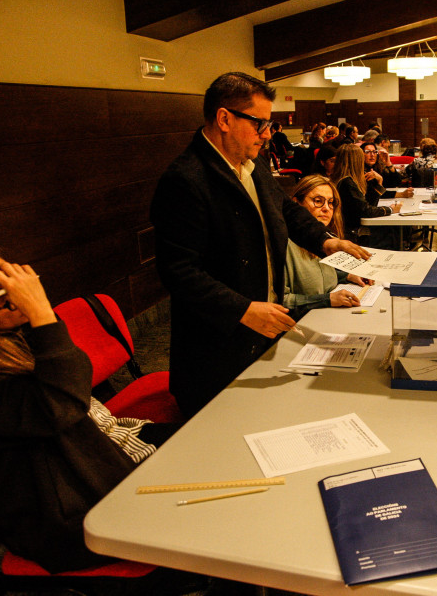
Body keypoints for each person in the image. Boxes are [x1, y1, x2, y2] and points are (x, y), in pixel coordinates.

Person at [0, 245, 170, 574]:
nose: (20, 296)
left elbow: (73, 386)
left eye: (16, 280)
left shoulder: (1, 336)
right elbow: (61, 405)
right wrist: (42, 314)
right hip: (70, 520)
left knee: (217, 444)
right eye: (3, 293)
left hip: (96, 464)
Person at [150, 72, 369, 417]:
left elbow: (283, 208)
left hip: (263, 330)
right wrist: (242, 309)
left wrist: (326, 241)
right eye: (259, 124)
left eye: (269, 124)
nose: (267, 134)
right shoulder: (185, 179)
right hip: (218, 345)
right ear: (224, 119)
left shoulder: (253, 164)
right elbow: (178, 271)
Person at [284, 175, 372, 317]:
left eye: (331, 203)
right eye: (318, 201)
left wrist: (347, 276)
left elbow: (318, 276)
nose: (326, 209)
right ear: (296, 205)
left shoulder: (329, 239)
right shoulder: (284, 245)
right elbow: (281, 300)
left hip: (329, 318)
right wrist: (327, 300)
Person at [331, 143, 401, 247]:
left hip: (351, 229)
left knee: (391, 229)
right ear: (357, 161)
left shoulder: (343, 179)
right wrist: (390, 209)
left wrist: (379, 182)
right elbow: (367, 211)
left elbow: (368, 205)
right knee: (391, 231)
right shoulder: (347, 183)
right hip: (352, 234)